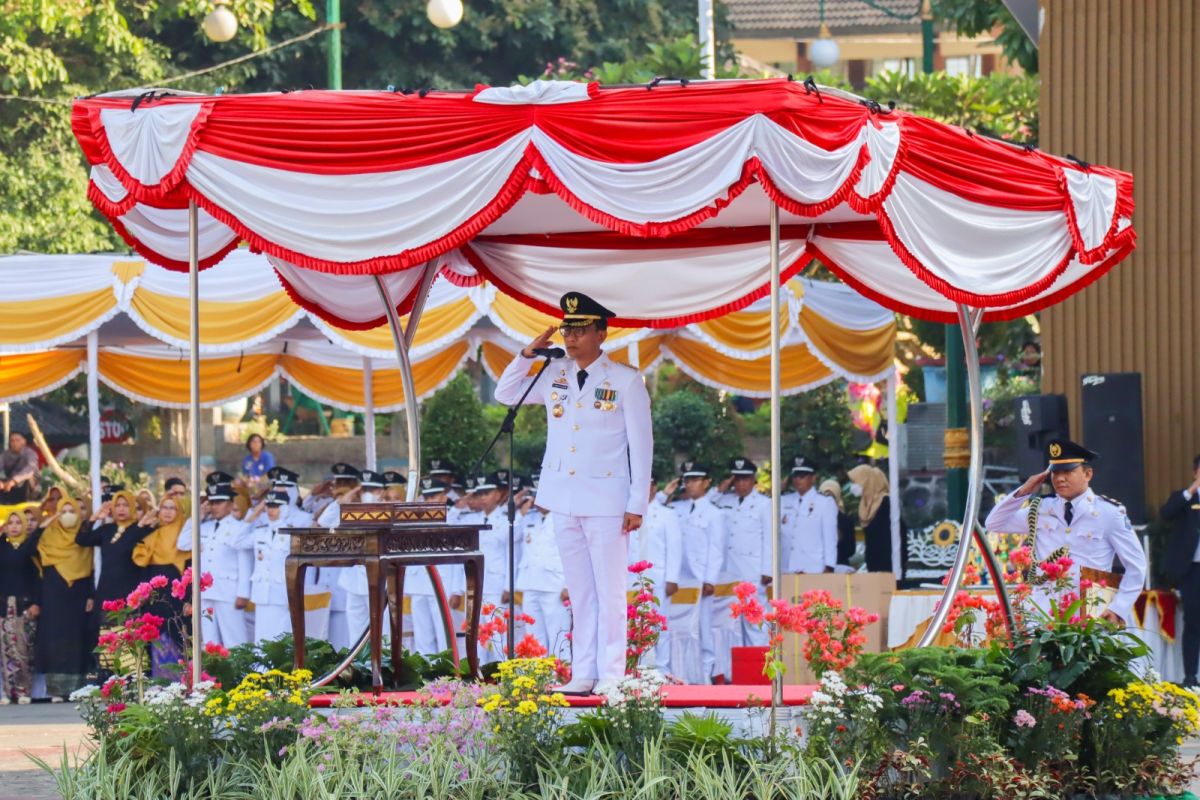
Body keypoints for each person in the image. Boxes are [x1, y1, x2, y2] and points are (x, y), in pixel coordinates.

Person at [495, 291, 652, 696]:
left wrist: (637, 503)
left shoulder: (625, 380)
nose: (571, 336)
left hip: (606, 502)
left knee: (610, 591)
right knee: (580, 591)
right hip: (562, 497)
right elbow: (505, 395)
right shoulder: (554, 374)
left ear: (602, 332)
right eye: (567, 328)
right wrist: (528, 353)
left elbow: (642, 445)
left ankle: (613, 674)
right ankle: (583, 671)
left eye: (580, 329)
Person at [984, 439, 1146, 627]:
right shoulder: (1041, 509)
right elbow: (994, 522)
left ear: (1087, 474)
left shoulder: (1109, 513)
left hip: (1090, 615)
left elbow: (1136, 565)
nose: (1060, 478)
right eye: (1055, 472)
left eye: (1068, 471)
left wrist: (1118, 608)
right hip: (1045, 616)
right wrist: (1025, 490)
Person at [77, 489, 158, 673]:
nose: (121, 509)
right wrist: (94, 518)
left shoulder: (141, 530)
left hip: (129, 592)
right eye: (118, 505)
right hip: (107, 591)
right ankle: (112, 682)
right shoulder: (107, 530)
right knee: (109, 638)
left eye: (126, 505)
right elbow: (81, 539)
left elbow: (128, 549)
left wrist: (138, 527)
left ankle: (131, 683)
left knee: (129, 637)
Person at [658, 461, 724, 684]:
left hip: (700, 577)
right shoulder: (676, 508)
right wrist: (664, 493)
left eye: (695, 480)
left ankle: (706, 673)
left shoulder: (714, 513)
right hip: (678, 578)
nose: (691, 485)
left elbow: (717, 548)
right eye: (687, 480)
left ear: (707, 482)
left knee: (703, 627)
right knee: (677, 628)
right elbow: (653, 510)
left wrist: (710, 579)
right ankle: (680, 672)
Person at [177, 482, 254, 647]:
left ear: (231, 504)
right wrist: (197, 516)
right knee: (209, 641)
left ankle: (239, 673)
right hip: (206, 593)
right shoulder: (204, 527)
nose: (214, 507)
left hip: (229, 592)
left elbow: (245, 562)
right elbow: (182, 543)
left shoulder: (242, 528)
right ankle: (212, 673)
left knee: (234, 639)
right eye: (211, 503)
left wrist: (243, 593)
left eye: (219, 502)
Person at [35, 495, 94, 700]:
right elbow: (30, 546)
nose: (68, 515)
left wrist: (91, 596)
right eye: (64, 511)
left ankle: (77, 687)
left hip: (79, 594)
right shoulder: (48, 536)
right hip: (53, 594)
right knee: (55, 639)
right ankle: (56, 690)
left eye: (72, 511)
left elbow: (94, 568)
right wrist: (48, 521)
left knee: (76, 639)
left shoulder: (84, 537)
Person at [714, 458, 772, 665]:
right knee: (728, 624)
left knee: (754, 622)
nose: (740, 484)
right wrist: (721, 488)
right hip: (728, 571)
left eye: (745, 479)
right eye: (736, 479)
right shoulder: (724, 501)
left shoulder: (765, 505)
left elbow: (769, 539)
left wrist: (768, 569)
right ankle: (732, 671)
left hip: (752, 571)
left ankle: (758, 667)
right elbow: (709, 503)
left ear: (753, 480)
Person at [131, 494, 190, 676]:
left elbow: (190, 571)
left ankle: (179, 682)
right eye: (165, 507)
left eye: (173, 508)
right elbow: (142, 565)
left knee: (177, 635)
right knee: (157, 635)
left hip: (178, 596)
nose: (167, 512)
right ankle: (159, 682)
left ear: (180, 512)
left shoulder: (185, 536)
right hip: (155, 596)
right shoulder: (152, 534)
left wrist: (189, 599)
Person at [471, 470, 526, 663]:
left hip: (496, 584)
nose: (483, 498)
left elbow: (511, 554)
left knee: (497, 632)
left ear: (498, 494)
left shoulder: (507, 520)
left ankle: (501, 672)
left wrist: (507, 586)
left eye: (487, 493)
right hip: (478, 583)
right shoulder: (474, 520)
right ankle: (482, 672)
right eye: (480, 494)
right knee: (479, 634)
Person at [629, 476, 681, 675]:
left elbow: (674, 547)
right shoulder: (627, 513)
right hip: (633, 578)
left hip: (658, 577)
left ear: (654, 488)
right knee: (636, 623)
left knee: (659, 622)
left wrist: (672, 578)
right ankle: (639, 666)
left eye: (647, 485)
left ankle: (662, 668)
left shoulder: (667, 514)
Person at [517, 477, 570, 662]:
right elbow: (510, 538)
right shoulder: (528, 518)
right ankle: (538, 676)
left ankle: (562, 674)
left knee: (558, 634)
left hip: (555, 586)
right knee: (533, 635)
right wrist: (519, 514)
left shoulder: (564, 518)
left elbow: (572, 554)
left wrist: (568, 585)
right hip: (531, 582)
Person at [1160, 454, 1200, 685]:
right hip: (1192, 570)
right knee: (1194, 621)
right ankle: (1191, 676)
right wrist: (1192, 489)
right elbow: (1166, 514)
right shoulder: (1184, 498)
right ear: (1195, 472)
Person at [0, 505, 42, 703]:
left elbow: (37, 578)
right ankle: (9, 692)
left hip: (25, 604)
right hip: (3, 604)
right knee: (5, 647)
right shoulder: (2, 546)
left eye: (18, 523)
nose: (14, 526)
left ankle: (23, 690)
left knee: (24, 648)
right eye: (11, 523)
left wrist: (36, 603)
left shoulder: (31, 547)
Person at [781, 457, 838, 574]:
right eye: (795, 476)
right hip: (787, 567)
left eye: (802, 477)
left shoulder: (825, 502)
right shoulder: (783, 501)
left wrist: (829, 565)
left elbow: (830, 537)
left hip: (813, 567)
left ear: (813, 478)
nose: (798, 480)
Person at [847, 464, 895, 572]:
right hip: (872, 560)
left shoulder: (885, 502)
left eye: (856, 482)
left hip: (888, 561)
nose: (853, 486)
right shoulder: (865, 504)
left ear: (866, 481)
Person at [819, 478, 858, 570]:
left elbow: (850, 550)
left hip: (840, 567)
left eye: (831, 496)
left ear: (837, 497)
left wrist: (839, 539)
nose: (828, 499)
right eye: (825, 495)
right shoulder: (813, 519)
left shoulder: (846, 520)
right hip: (818, 568)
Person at [0, 432, 39, 504]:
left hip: (27, 485)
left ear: (24, 441)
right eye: (12, 441)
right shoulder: (5, 455)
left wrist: (14, 481)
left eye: (17, 440)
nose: (15, 443)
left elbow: (29, 470)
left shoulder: (30, 453)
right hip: (10, 484)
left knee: (27, 480)